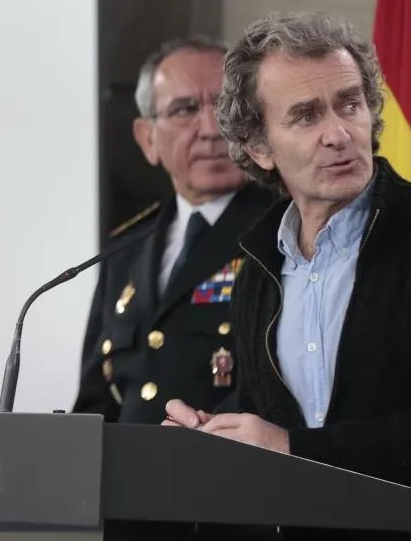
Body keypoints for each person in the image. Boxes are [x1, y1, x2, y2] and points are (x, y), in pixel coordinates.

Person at [164, 12, 411, 541]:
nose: (338, 133)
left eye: (350, 104)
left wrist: (296, 451)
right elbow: (264, 408)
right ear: (259, 148)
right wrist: (211, 432)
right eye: (306, 116)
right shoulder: (259, 265)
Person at [71, 35, 278, 540]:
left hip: (232, 513)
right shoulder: (124, 248)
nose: (211, 129)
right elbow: (98, 401)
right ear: (147, 137)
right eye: (185, 109)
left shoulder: (282, 231)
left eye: (226, 107)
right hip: (134, 518)